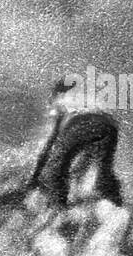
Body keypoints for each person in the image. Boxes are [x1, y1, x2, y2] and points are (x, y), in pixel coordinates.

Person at [28, 77, 123, 210]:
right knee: (104, 172)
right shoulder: (86, 99)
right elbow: (86, 154)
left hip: (80, 124)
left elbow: (50, 145)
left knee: (56, 170)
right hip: (109, 126)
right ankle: (117, 204)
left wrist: (34, 177)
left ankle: (60, 208)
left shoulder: (59, 102)